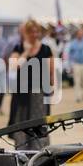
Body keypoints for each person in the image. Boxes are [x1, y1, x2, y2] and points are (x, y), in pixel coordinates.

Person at [8, 19, 54, 150]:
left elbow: (51, 70)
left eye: (36, 32)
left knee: (39, 123)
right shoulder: (19, 48)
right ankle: (22, 152)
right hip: (21, 93)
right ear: (25, 33)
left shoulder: (46, 49)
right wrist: (26, 52)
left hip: (39, 93)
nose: (34, 34)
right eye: (31, 32)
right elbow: (14, 66)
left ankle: (41, 153)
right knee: (21, 122)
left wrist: (52, 85)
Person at [65, 26, 83, 103]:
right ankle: (78, 97)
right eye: (79, 33)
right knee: (77, 81)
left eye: (82, 33)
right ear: (77, 34)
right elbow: (70, 55)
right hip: (76, 64)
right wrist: (70, 65)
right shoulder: (73, 43)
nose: (81, 35)